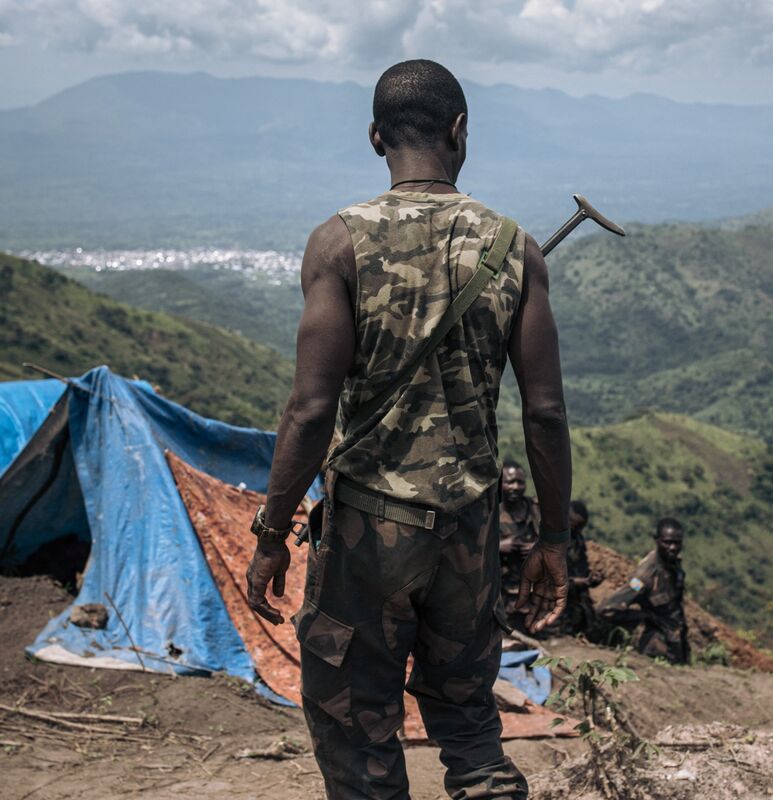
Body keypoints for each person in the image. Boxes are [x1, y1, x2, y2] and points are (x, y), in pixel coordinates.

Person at [243, 60, 573, 800]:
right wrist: (553, 540)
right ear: (461, 132)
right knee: (469, 725)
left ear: (374, 138)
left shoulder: (339, 243)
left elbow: (309, 408)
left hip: (367, 533)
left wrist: (270, 534)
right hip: (468, 531)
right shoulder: (513, 249)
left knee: (361, 741)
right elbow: (546, 412)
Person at [598, 518, 689, 664]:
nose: (672, 547)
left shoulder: (674, 567)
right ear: (657, 540)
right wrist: (644, 617)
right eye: (667, 542)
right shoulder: (645, 576)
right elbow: (606, 610)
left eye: (677, 543)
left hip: (676, 644)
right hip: (655, 651)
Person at [541, 500, 602, 638]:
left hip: (574, 604)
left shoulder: (577, 540)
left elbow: (582, 570)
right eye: (572, 525)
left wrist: (592, 579)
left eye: (578, 527)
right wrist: (582, 581)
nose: (574, 530)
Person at [498, 461, 541, 630]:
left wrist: (537, 548)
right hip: (500, 589)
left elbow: (558, 540)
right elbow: (469, 547)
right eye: (510, 482)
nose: (515, 487)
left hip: (532, 587)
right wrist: (499, 546)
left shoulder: (536, 508)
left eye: (520, 482)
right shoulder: (490, 510)